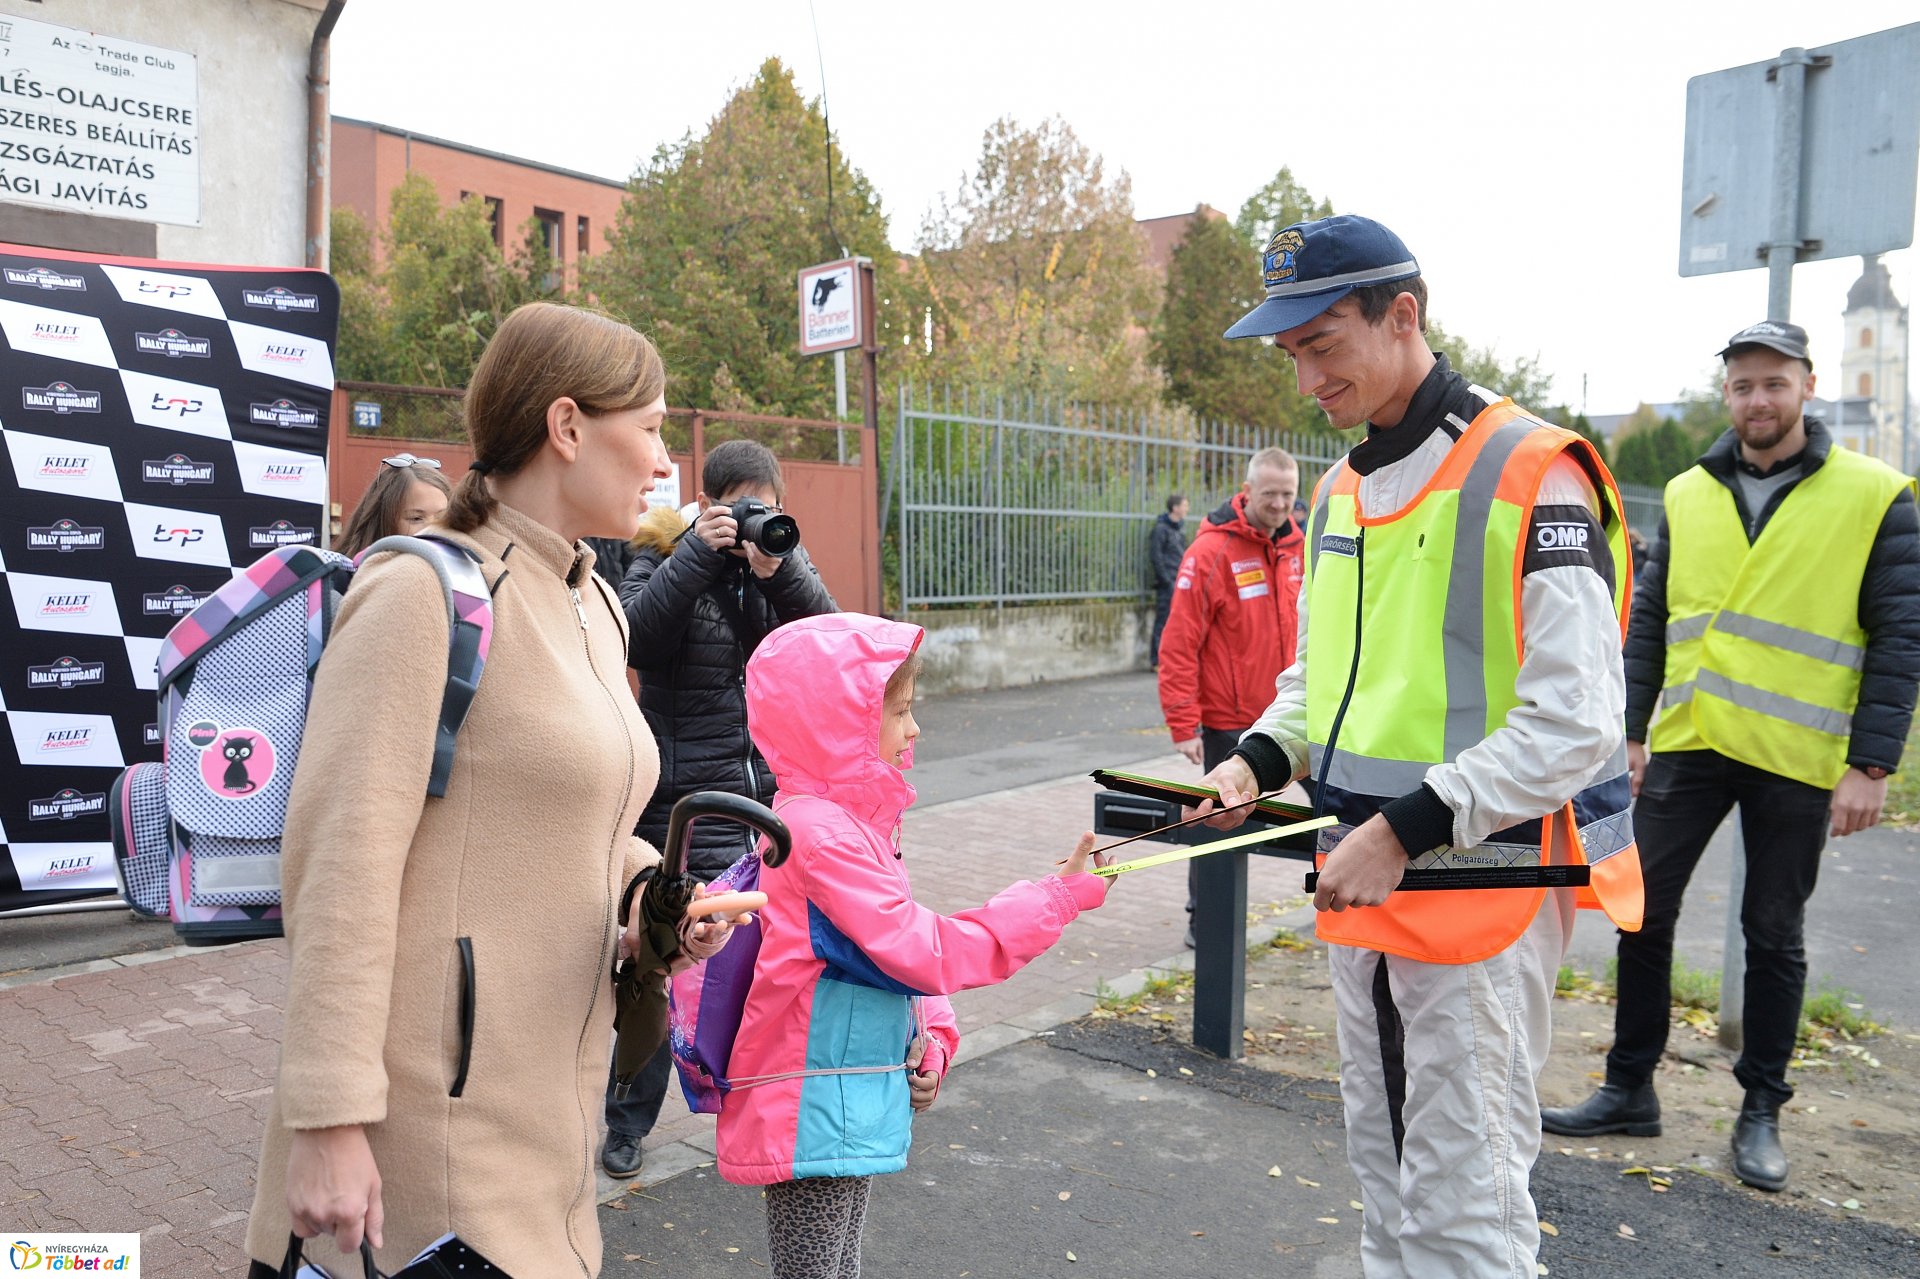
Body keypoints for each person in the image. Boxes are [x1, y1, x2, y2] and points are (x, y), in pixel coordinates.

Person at [245, 302, 740, 1276]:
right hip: (426, 1160)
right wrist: (327, 1118)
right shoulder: (418, 592)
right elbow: (339, 865)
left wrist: (652, 899)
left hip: (549, 1132)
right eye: (645, 426)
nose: (659, 459)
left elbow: (580, 819)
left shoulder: (596, 600)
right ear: (566, 427)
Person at [1190, 214, 1643, 1277]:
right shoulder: (1344, 486)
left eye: (1323, 345)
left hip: (1477, 892)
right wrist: (1255, 760)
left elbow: (1577, 718)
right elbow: (1328, 677)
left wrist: (1405, 830)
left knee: (1467, 1208)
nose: (1307, 379)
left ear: (1405, 316)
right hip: (1368, 880)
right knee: (1390, 1190)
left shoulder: (1536, 471)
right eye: (1292, 354)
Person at [1541, 320, 1920, 1192]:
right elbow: (1650, 617)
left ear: (1807, 386)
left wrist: (1872, 765)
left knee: (1772, 933)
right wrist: (1629, 730)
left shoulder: (1875, 493)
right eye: (1743, 385)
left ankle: (1760, 1110)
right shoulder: (1686, 490)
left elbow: (1901, 634)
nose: (1758, 399)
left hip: (1797, 749)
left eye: (1774, 383)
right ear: (1728, 395)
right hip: (1690, 739)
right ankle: (1629, 1087)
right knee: (1638, 906)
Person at [721, 612, 1114, 1279]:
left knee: (834, 1266)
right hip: (813, 1100)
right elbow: (922, 949)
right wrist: (1054, 899)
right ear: (837, 726)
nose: (914, 727)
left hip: (843, 1089)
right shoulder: (823, 836)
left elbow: (887, 952)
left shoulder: (849, 824)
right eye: (899, 711)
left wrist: (934, 1036)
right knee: (818, 1271)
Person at [601, 438, 837, 1178]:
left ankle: (751, 1112)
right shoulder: (668, 552)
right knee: (664, 966)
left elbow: (826, 641)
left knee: (759, 965)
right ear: (708, 504)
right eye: (740, 505)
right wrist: (697, 555)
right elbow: (634, 636)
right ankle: (626, 1121)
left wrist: (781, 568)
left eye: (766, 503)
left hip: (765, 802)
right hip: (683, 804)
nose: (755, 517)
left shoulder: (780, 561)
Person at [1156, 448, 1303, 945]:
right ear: (1247, 491)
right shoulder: (1211, 551)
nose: (1280, 504)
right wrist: (1183, 723)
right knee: (1216, 819)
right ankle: (1206, 921)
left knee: (1338, 813)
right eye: (1270, 494)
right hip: (1230, 722)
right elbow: (1179, 641)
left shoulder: (1302, 550)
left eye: (1288, 494)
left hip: (1298, 719)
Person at [332, 452, 451, 558]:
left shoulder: (462, 572)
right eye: (416, 518)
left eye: (442, 517)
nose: (432, 529)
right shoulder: (348, 577)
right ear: (382, 521)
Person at [1147, 493, 1189, 668]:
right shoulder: (1161, 529)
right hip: (1167, 585)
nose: (1187, 509)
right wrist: (1166, 581)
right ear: (1175, 508)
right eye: (1185, 505)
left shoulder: (1179, 530)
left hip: (1179, 582)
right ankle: (1156, 661)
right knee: (1162, 622)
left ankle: (1170, 660)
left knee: (1176, 623)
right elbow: (1156, 556)